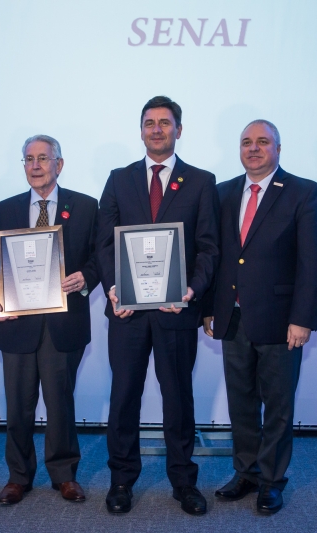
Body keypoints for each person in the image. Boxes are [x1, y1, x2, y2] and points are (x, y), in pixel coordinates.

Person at [96, 96, 220, 515]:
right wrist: (114, 289)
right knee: (124, 397)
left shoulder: (201, 181)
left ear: (178, 130)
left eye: (164, 123)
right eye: (149, 122)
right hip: (127, 313)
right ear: (141, 130)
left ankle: (184, 482)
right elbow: (104, 243)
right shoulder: (119, 179)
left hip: (176, 312)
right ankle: (121, 481)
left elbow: (208, 248)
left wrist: (191, 290)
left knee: (178, 399)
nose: (156, 129)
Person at [203, 120, 317, 514]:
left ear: (278, 148)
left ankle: (272, 481)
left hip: (280, 321)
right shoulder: (222, 193)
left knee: (277, 405)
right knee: (241, 403)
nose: (253, 149)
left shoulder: (303, 192)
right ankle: (246, 472)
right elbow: (214, 256)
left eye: (262, 142)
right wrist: (209, 307)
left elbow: (314, 261)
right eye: (246, 142)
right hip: (232, 318)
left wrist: (303, 318)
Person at [0, 135, 99, 506]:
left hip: (63, 322)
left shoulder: (85, 207)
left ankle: (64, 475)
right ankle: (18, 477)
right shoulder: (3, 209)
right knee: (18, 404)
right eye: (28, 159)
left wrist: (87, 277)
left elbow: (101, 256)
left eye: (43, 159)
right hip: (18, 322)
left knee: (60, 402)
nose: (35, 166)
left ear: (59, 164)